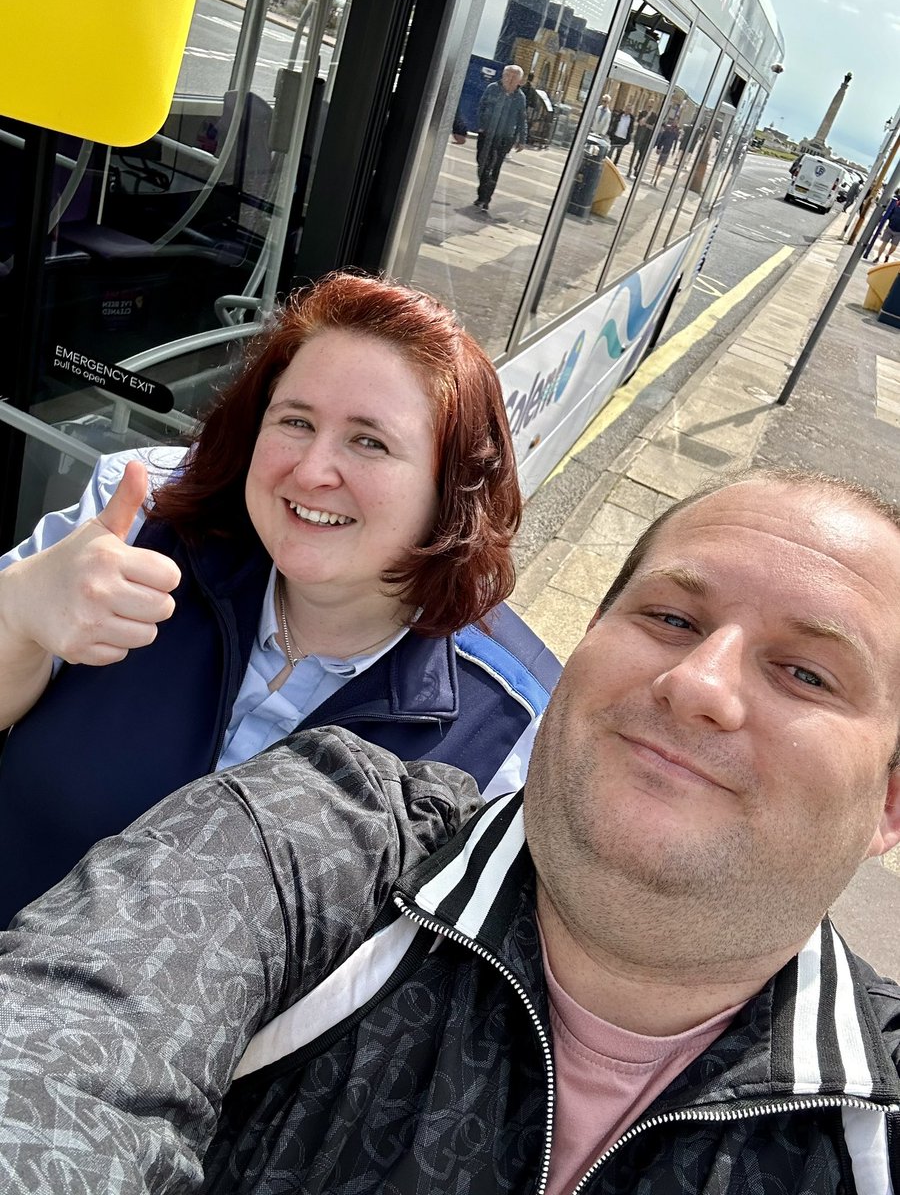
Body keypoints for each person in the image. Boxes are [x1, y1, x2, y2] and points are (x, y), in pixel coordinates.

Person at [0, 466, 899, 1193]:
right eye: (670, 618)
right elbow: (59, 1056)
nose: (698, 683)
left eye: (807, 674)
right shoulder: (320, 835)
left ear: (890, 805)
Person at [0, 271, 560, 922]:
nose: (313, 471)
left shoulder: (510, 728)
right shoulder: (134, 524)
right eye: (295, 421)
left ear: (450, 491)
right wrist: (17, 612)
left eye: (369, 441)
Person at [473, 64, 527, 212]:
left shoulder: (520, 97)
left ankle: (484, 198)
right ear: (503, 76)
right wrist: (481, 124)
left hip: (505, 137)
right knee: (482, 163)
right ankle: (483, 189)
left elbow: (522, 119)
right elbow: (481, 107)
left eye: (514, 77)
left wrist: (522, 139)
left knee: (495, 166)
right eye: (508, 75)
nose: (510, 79)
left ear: (519, 81)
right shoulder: (492, 88)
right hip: (487, 134)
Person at [872, 191, 900, 263]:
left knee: (893, 247)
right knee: (884, 243)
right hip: (890, 227)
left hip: (898, 232)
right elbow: (890, 211)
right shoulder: (897, 202)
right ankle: (878, 257)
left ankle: (887, 255)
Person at [628, 108, 656, 178]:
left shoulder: (654, 116)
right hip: (638, 137)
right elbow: (640, 122)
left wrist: (646, 124)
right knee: (634, 154)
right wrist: (647, 116)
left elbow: (653, 127)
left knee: (641, 156)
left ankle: (636, 169)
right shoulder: (642, 113)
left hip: (645, 139)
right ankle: (630, 169)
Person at [651, 118, 679, 186]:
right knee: (658, 163)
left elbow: (675, 141)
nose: (674, 123)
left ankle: (656, 179)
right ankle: (653, 176)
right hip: (662, 147)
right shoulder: (667, 129)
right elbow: (661, 138)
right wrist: (658, 147)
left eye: (676, 122)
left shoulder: (676, 132)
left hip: (668, 149)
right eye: (674, 122)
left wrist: (674, 151)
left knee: (662, 165)